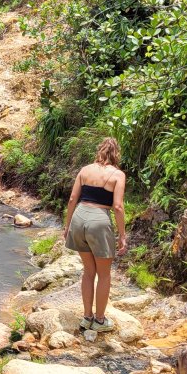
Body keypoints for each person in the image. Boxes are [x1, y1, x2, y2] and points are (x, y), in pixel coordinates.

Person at [62, 137, 127, 332]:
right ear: (116, 154)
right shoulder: (118, 175)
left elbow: (73, 198)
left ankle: (86, 317)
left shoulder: (85, 170)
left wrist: (67, 226)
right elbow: (117, 206)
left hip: (79, 217)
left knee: (88, 271)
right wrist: (122, 235)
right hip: (99, 220)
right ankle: (99, 320)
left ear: (99, 151)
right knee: (104, 274)